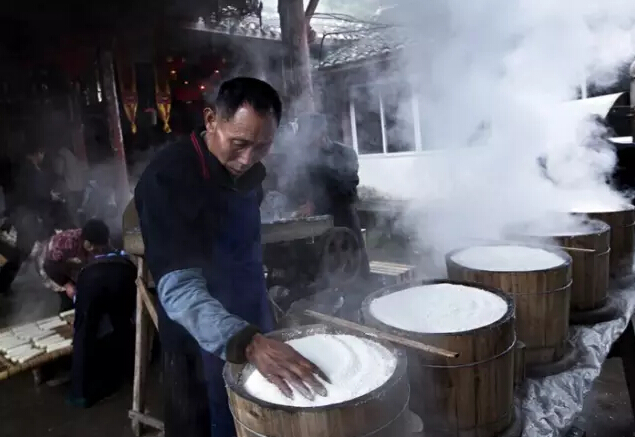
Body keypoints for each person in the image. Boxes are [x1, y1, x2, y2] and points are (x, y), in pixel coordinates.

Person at [135, 77, 328, 437]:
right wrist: (249, 343)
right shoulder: (167, 180)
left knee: (262, 418)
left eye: (262, 146)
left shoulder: (249, 171)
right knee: (210, 423)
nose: (246, 159)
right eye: (238, 143)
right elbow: (178, 289)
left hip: (252, 314)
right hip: (197, 336)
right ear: (211, 120)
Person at [288, 113, 371, 279]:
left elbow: (347, 187)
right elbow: (296, 186)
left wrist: (315, 203)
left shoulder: (344, 154)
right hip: (315, 227)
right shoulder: (304, 157)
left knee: (355, 271)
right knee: (319, 274)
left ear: (320, 133)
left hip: (343, 220)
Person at [68, 248, 136, 408]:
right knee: (123, 324)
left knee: (83, 334)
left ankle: (79, 394)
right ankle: (129, 373)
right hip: (125, 274)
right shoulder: (123, 257)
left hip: (92, 280)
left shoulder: (87, 268)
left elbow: (81, 308)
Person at [37, 219, 111, 312]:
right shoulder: (66, 243)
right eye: (94, 249)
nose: (96, 251)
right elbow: (49, 266)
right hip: (49, 263)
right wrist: (67, 284)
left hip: (72, 262)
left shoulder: (102, 242)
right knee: (70, 295)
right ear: (87, 242)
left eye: (99, 249)